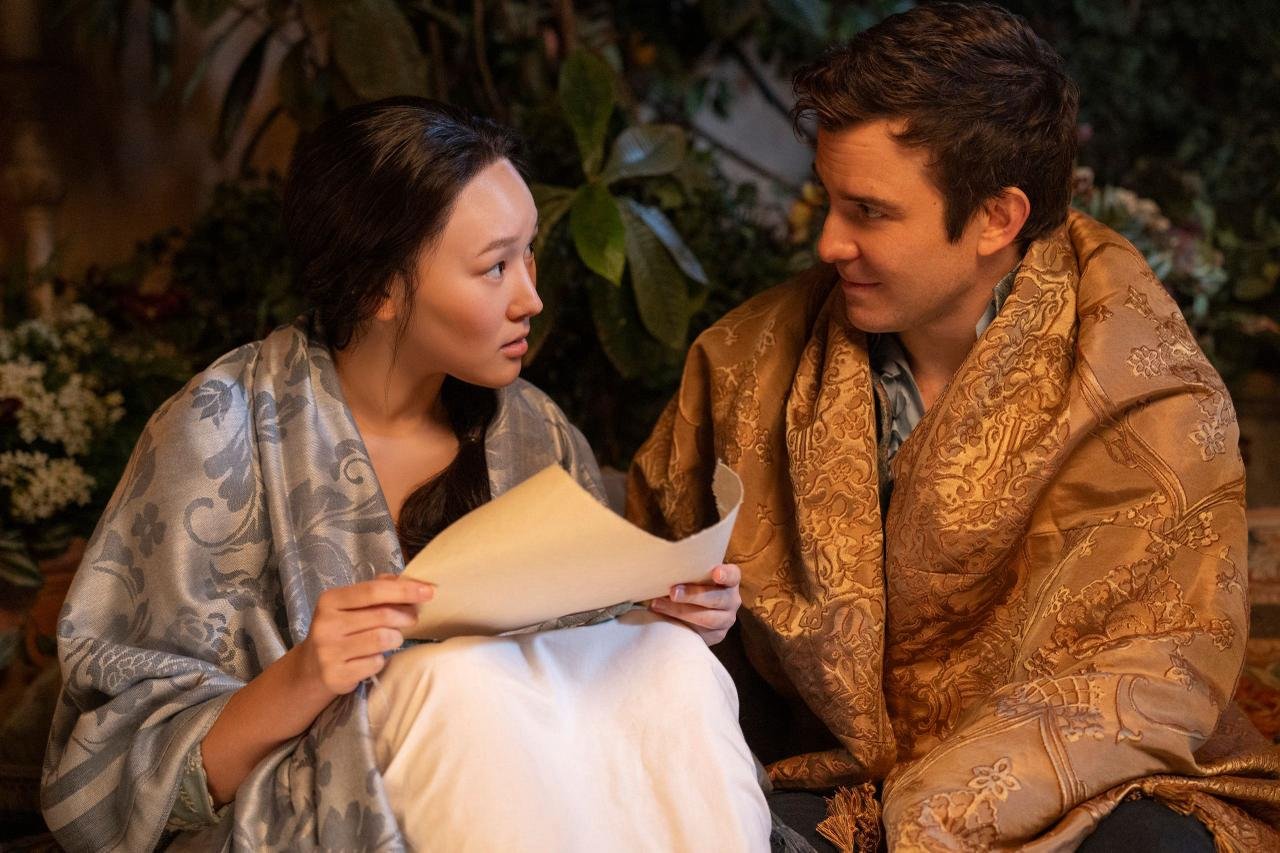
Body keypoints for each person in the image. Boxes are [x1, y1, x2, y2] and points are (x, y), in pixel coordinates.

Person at [627, 4, 1280, 850]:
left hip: (1089, 777)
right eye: (827, 201)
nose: (828, 243)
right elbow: (643, 594)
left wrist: (941, 812)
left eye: (869, 211)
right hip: (825, 775)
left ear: (996, 218)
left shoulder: (1147, 392)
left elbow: (1148, 671)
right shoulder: (744, 365)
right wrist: (676, 609)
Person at [41, 98, 769, 852]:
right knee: (460, 683)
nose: (531, 296)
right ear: (378, 290)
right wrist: (306, 676)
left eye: (530, 252)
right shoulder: (220, 424)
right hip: (304, 809)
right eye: (495, 266)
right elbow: (111, 782)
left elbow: (574, 678)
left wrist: (665, 617)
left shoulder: (533, 429)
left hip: (526, 792)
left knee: (673, 665)